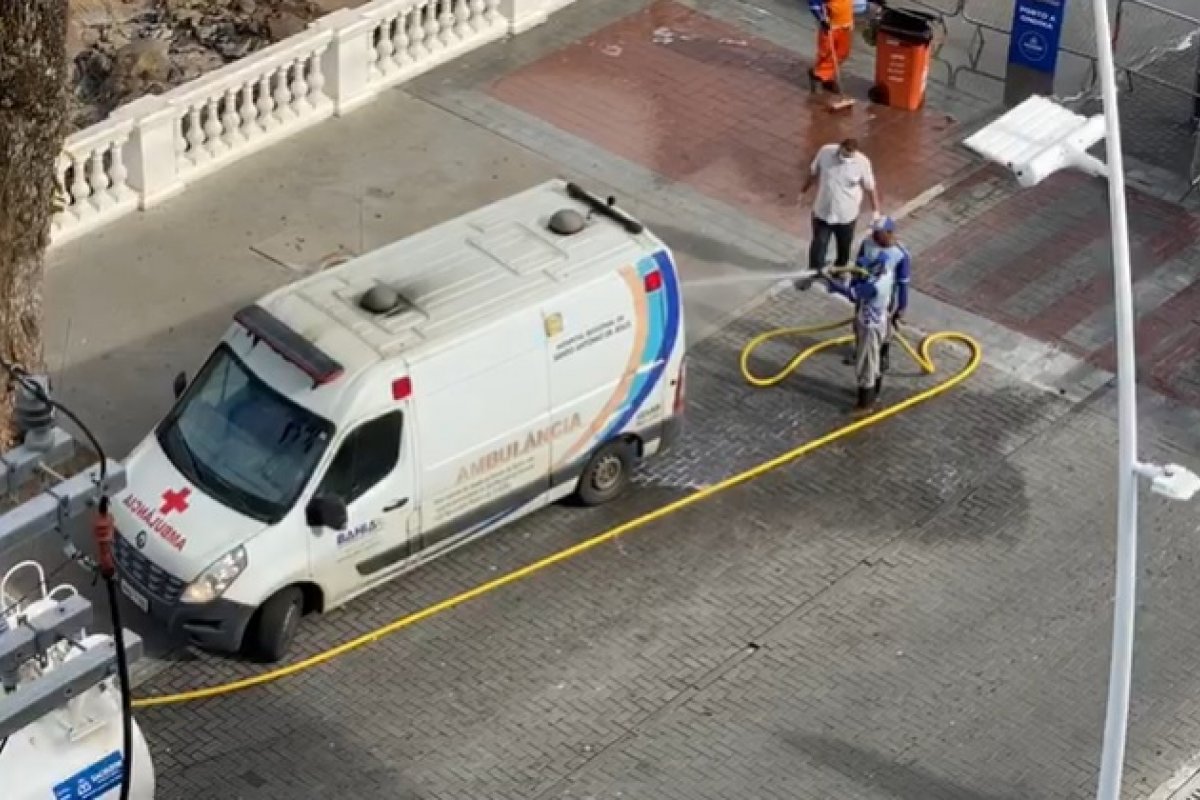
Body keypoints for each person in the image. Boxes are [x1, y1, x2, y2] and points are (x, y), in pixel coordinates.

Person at [826, 216, 906, 411]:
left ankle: (865, 404)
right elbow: (860, 274)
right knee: (872, 359)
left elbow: (853, 294)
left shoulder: (877, 284)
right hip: (870, 319)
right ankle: (872, 388)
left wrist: (834, 285)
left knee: (867, 364)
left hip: (871, 325)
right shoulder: (881, 274)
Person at [800, 138, 882, 283]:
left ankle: (839, 272)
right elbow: (814, 172)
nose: (844, 158)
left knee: (844, 246)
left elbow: (870, 187)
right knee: (818, 244)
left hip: (846, 215)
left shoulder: (862, 163)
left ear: (855, 153)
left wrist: (876, 211)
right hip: (823, 211)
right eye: (843, 153)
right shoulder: (826, 152)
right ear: (840, 147)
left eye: (849, 155)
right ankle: (814, 272)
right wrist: (803, 190)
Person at [807, 0, 855, 94]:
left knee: (842, 53)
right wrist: (821, 19)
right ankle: (821, 76)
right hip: (830, 26)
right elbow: (813, 3)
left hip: (846, 24)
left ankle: (820, 74)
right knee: (825, 52)